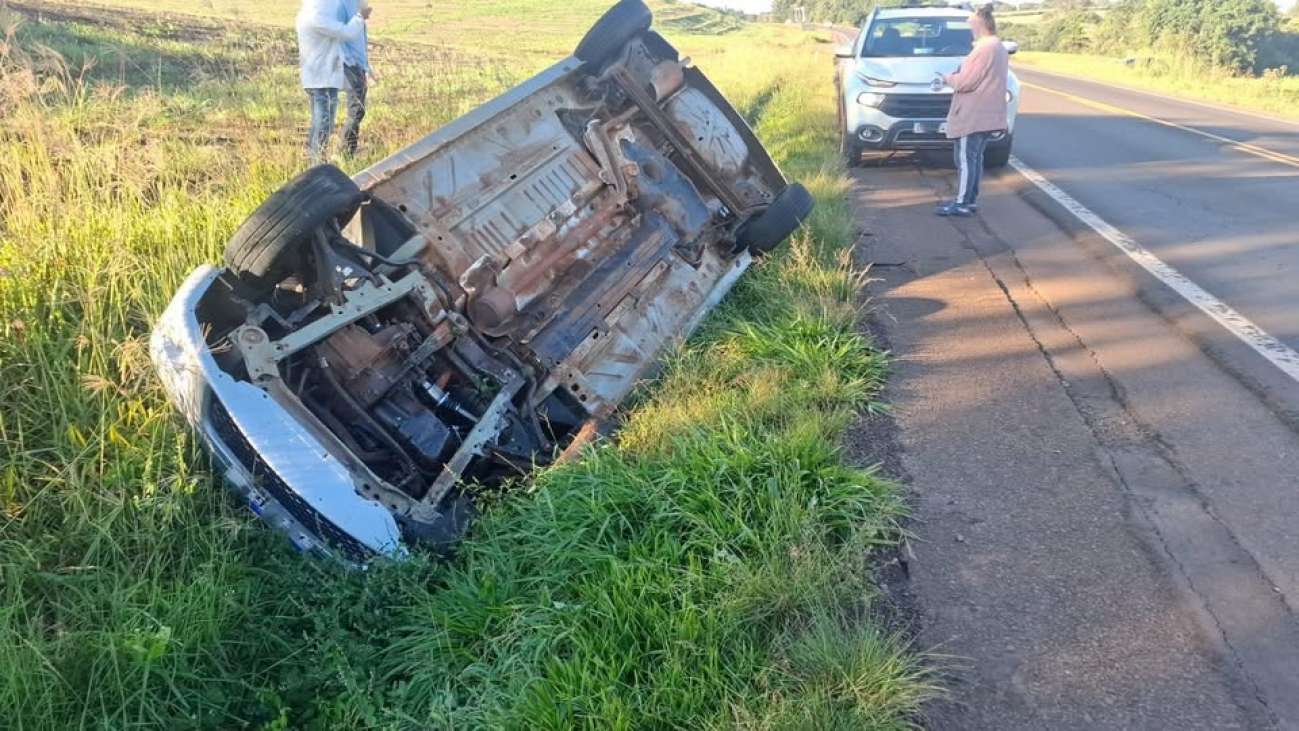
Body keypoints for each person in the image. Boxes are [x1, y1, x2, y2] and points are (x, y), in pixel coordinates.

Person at [936, 4, 1009, 217]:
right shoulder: (998, 47)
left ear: (980, 25)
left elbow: (967, 82)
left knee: (967, 160)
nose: (970, 29)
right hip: (987, 113)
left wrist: (946, 78)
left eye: (971, 25)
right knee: (974, 158)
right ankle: (969, 200)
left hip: (974, 114)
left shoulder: (984, 48)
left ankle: (962, 203)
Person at [296, 0, 369, 163]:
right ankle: (317, 163)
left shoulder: (309, 15)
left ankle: (317, 162)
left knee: (322, 122)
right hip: (321, 79)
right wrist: (360, 16)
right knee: (323, 123)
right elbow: (347, 33)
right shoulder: (317, 19)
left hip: (325, 78)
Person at [339, 0, 378, 158]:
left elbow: (359, 42)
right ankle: (346, 152)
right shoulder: (341, 6)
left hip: (357, 65)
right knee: (356, 110)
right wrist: (351, 62)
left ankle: (348, 150)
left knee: (358, 110)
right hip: (349, 64)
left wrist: (367, 68)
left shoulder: (357, 6)